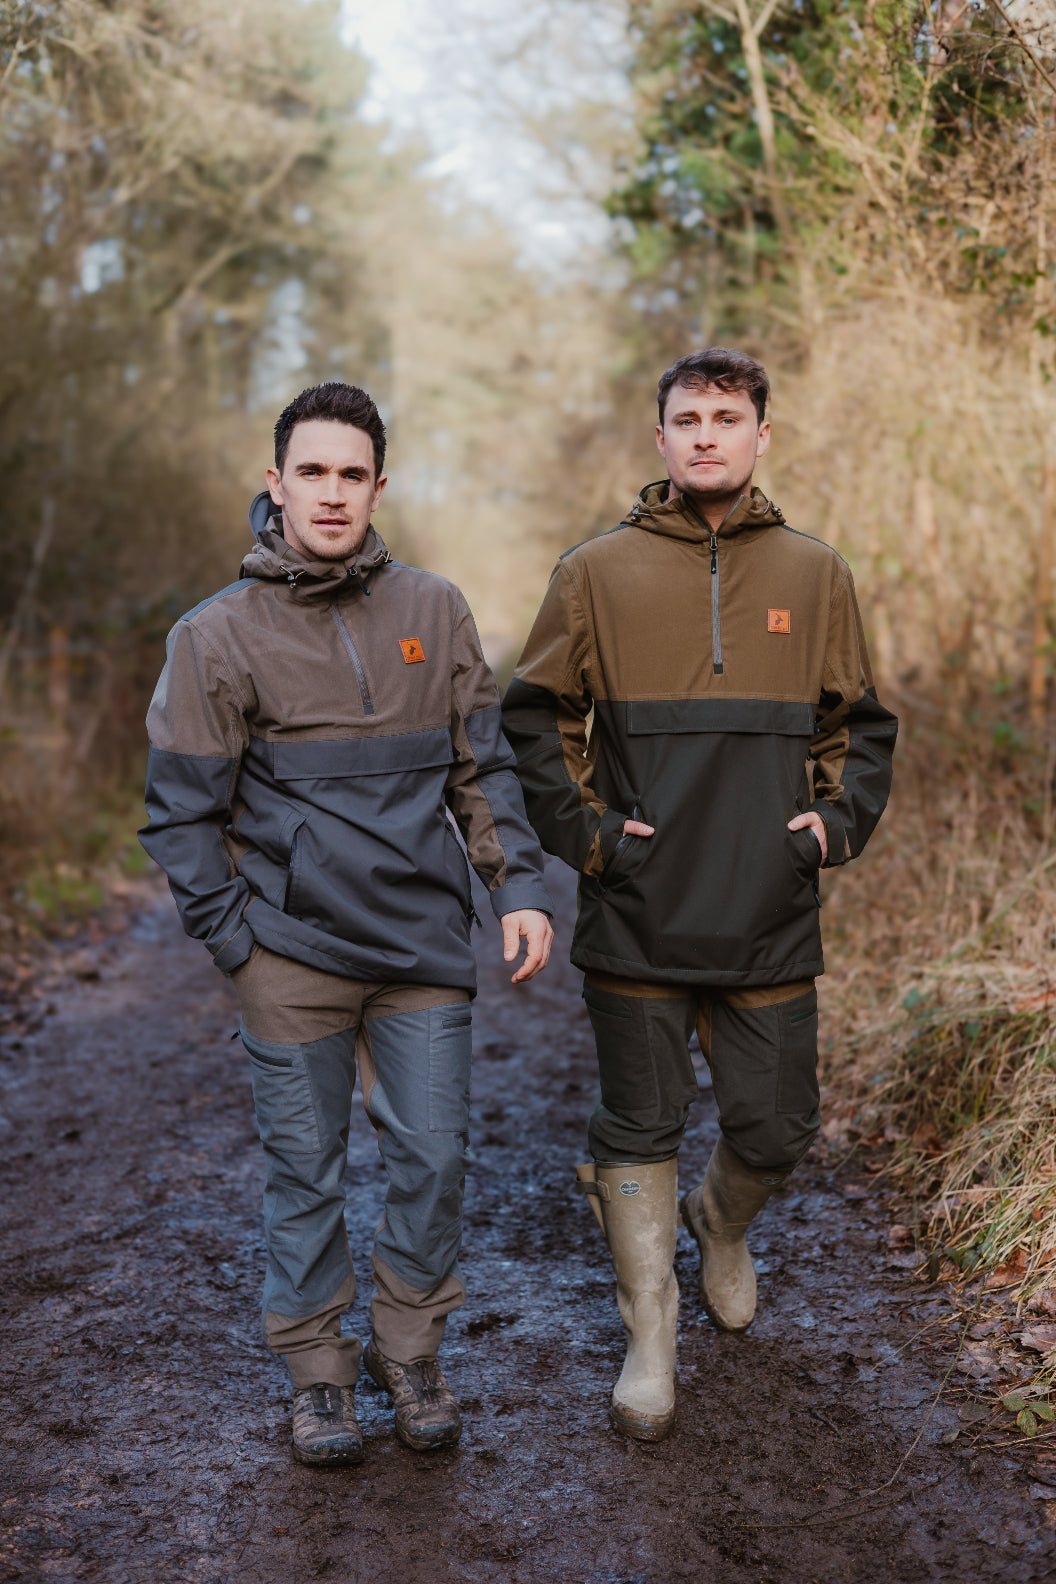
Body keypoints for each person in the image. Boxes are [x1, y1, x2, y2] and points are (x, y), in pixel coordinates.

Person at [140, 381, 553, 1466]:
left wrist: (515, 889)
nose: (331, 493)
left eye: (351, 474)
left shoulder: (435, 610)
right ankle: (319, 1375)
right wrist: (239, 941)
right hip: (292, 957)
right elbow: (180, 815)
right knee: (304, 1171)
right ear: (275, 482)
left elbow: (484, 769)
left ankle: (408, 1351)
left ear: (380, 486)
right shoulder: (214, 637)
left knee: (435, 1158)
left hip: (421, 948)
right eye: (310, 472)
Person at [501, 348, 896, 1442]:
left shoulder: (816, 574)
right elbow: (533, 719)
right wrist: (587, 838)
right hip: (636, 911)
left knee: (779, 1125)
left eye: (730, 416)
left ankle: (719, 1222)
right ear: (661, 438)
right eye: (689, 418)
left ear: (763, 434)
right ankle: (651, 1331)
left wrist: (832, 824)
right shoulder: (594, 573)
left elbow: (858, 726)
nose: (709, 434)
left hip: (770, 907)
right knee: (640, 1121)